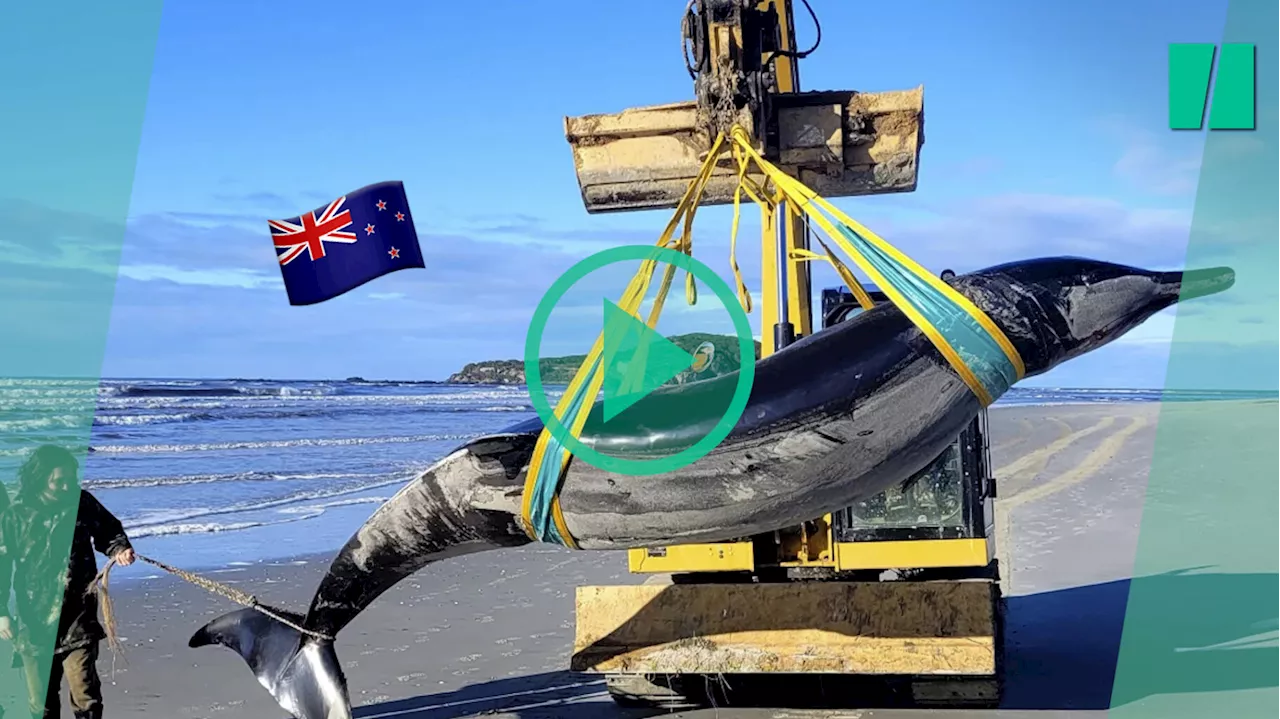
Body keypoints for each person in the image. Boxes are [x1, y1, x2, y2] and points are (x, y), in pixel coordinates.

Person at [0, 445, 135, 719]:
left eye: (70, 480)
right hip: (33, 618)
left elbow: (109, 531)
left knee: (86, 696)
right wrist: (2, 613)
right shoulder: (17, 513)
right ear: (41, 478)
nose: (66, 487)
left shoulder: (82, 502)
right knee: (41, 704)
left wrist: (120, 550)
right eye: (58, 481)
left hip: (79, 615)